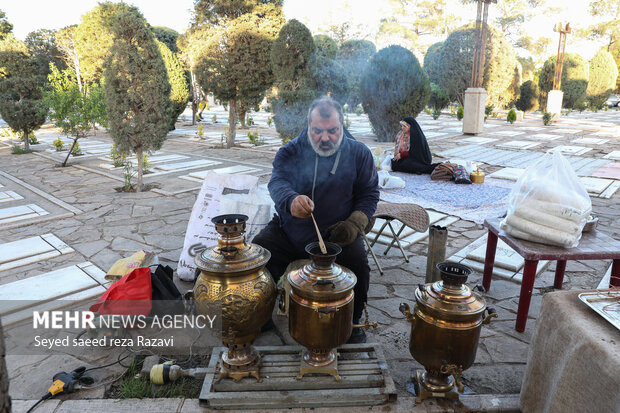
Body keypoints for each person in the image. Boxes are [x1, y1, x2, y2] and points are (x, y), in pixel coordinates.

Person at [253, 96, 379, 344]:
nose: (324, 138)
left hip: (337, 236)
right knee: (259, 256)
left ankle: (352, 323)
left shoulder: (359, 154)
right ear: (308, 126)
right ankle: (260, 316)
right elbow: (277, 182)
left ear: (342, 124)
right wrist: (290, 200)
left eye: (332, 131)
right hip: (291, 230)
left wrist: (354, 224)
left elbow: (369, 194)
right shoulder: (290, 151)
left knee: (359, 266)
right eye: (317, 131)